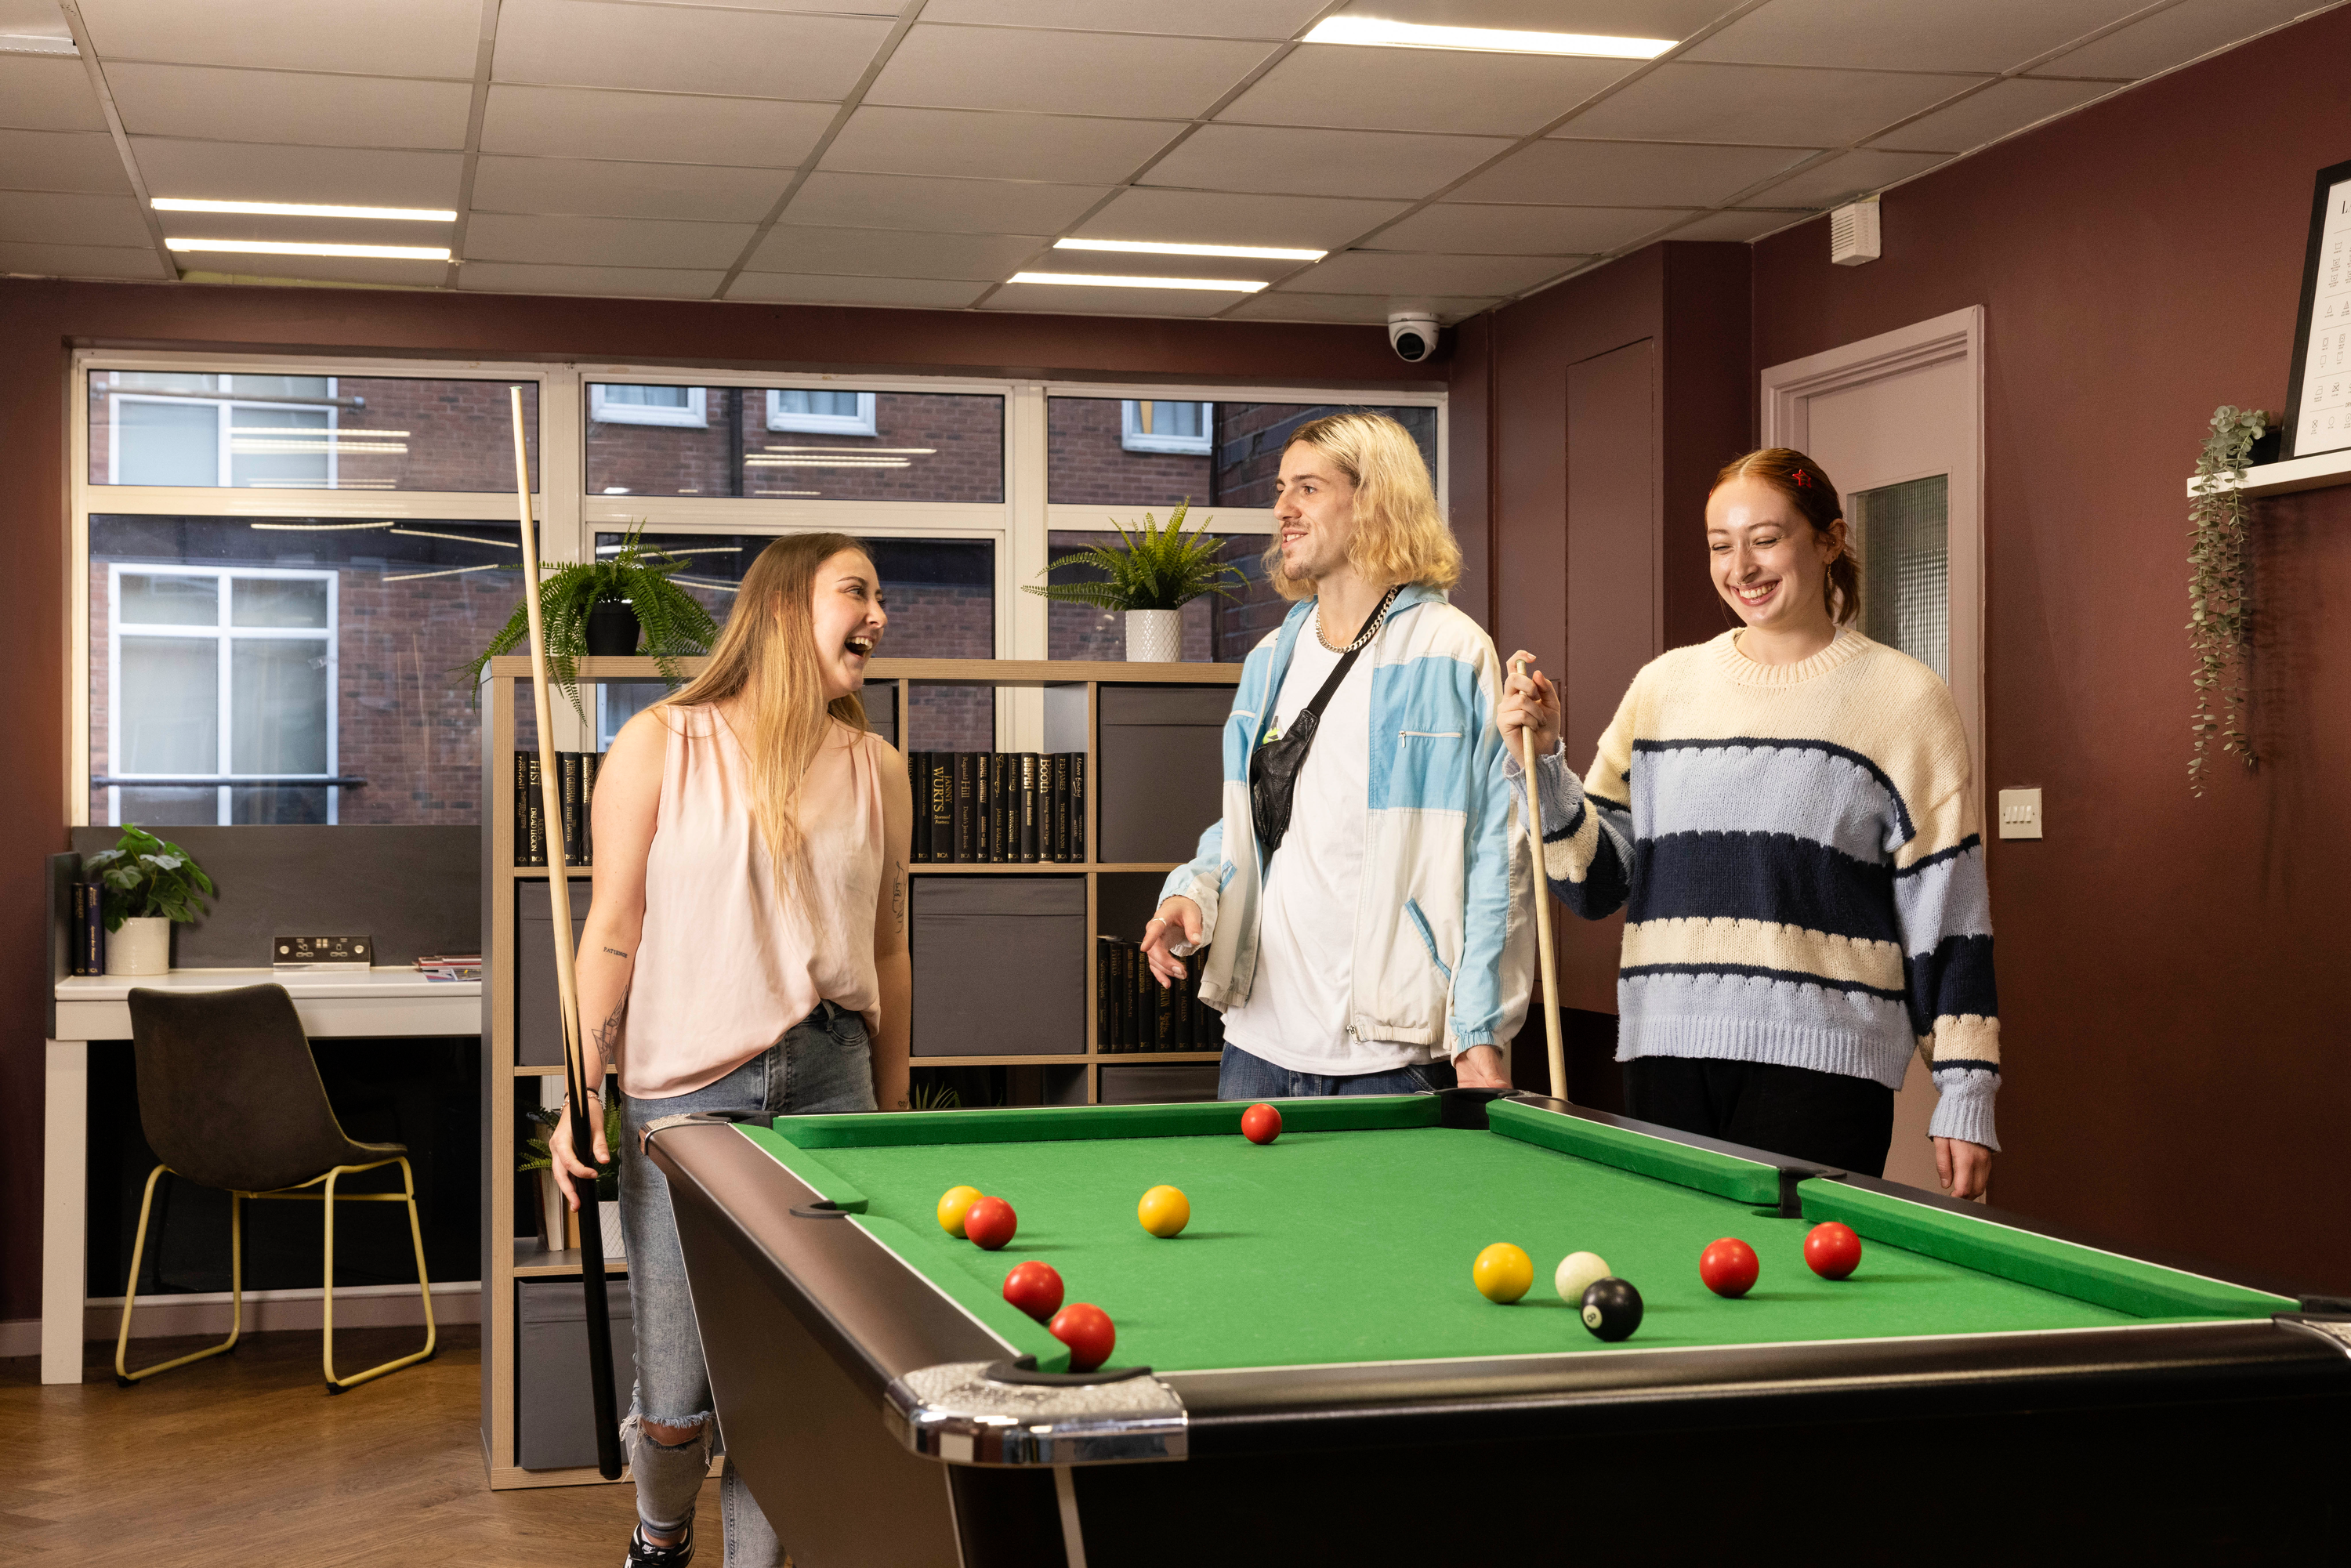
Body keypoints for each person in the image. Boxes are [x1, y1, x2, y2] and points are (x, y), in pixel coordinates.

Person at [546, 531, 911, 1566]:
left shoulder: (877, 768)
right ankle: (659, 1533)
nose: (878, 615)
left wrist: (889, 1112)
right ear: (789, 605)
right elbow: (612, 930)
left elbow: (889, 952)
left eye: (879, 595)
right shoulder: (664, 743)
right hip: (686, 1109)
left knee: (792, 1394)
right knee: (677, 1402)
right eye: (859, 592)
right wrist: (578, 1092)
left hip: (832, 1093)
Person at [1497, 447, 1998, 1196]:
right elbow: (1596, 885)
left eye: (1766, 538)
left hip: (1824, 1069)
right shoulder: (1663, 687)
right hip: (1664, 1052)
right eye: (1721, 545)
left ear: (1829, 540)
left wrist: (1966, 1093)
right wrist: (1541, 767)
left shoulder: (1905, 700)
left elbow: (1949, 917)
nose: (1742, 567)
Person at [1142, 411, 1533, 1099]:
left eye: (1308, 489)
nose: (1283, 509)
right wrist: (1190, 890)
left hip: (1391, 1054)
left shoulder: (1451, 651)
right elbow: (1254, 824)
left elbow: (1496, 859)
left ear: (1374, 499)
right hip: (1256, 1044)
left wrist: (1479, 1028)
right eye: (1281, 488)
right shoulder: (1271, 660)